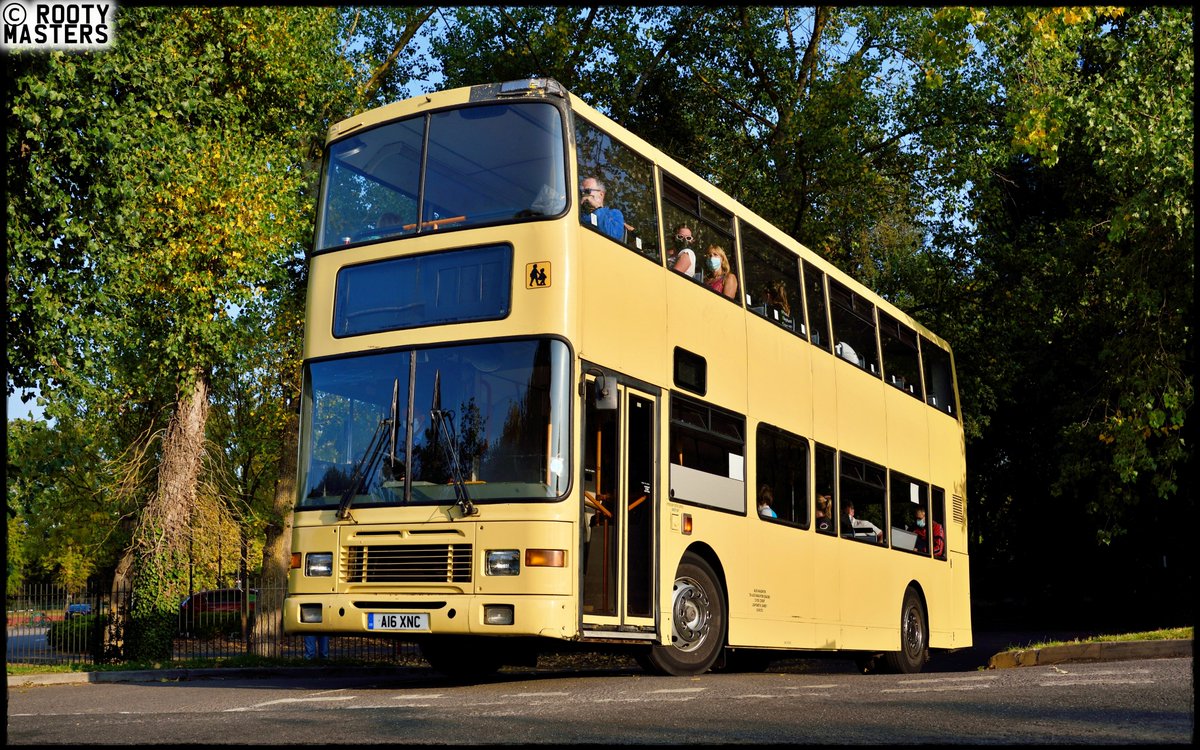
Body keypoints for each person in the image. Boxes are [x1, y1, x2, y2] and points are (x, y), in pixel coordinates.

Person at [580, 176, 625, 241]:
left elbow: (613, 236)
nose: (583, 194)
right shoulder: (578, 212)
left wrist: (597, 207)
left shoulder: (614, 214)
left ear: (601, 194)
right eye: (581, 192)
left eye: (587, 191)